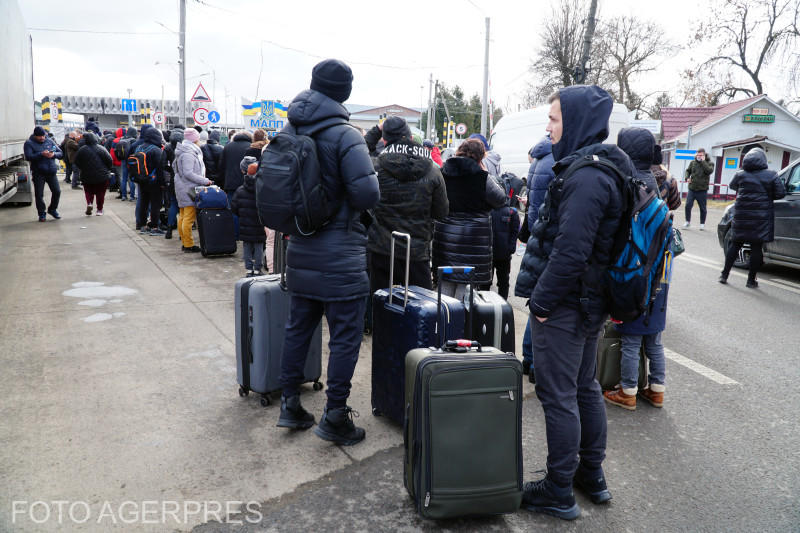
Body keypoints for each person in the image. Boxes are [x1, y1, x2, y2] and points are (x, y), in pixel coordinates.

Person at [515, 86, 635, 520]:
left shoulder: (586, 176)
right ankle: (591, 476)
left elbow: (571, 251)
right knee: (584, 388)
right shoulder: (601, 169)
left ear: (578, 123)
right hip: (586, 303)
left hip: (566, 305)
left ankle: (559, 488)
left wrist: (541, 303)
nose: (548, 127)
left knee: (559, 394)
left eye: (555, 119)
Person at [276, 59, 379, 446]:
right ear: (345, 93)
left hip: (301, 247)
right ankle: (335, 415)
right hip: (341, 256)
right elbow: (368, 194)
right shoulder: (345, 134)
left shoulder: (290, 128)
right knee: (345, 338)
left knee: (297, 329)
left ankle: (290, 405)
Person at [603, 127, 670, 411]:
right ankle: (656, 390)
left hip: (633, 270)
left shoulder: (626, 183)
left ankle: (628, 390)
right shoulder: (662, 181)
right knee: (654, 338)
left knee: (630, 339)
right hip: (661, 270)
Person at [367, 116, 449, 294]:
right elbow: (441, 212)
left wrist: (377, 130)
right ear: (411, 138)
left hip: (382, 249)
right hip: (417, 251)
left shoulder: (376, 166)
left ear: (385, 140)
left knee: (380, 308)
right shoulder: (433, 169)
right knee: (420, 311)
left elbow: (360, 151)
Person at [432, 137, 505, 298]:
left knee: (444, 284)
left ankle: (444, 321)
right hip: (473, 241)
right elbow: (500, 199)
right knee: (466, 289)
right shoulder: (482, 177)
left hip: (445, 238)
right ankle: (462, 322)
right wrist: (486, 172)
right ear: (480, 157)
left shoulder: (443, 173)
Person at [719, 147, 786, 288]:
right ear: (763, 159)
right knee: (756, 248)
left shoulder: (740, 174)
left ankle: (724, 275)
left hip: (741, 216)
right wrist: (767, 196)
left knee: (735, 244)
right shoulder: (771, 175)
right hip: (760, 218)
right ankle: (751, 281)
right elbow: (780, 194)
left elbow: (732, 186)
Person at [519, 136, 556, 381]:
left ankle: (528, 359)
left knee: (536, 301)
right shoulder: (556, 161)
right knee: (547, 305)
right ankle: (537, 366)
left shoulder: (538, 162)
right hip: (550, 240)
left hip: (537, 237)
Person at [483, 172, 523, 299]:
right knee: (485, 283)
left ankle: (503, 304)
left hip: (504, 256)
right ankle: (484, 306)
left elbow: (514, 232)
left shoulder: (511, 212)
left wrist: (511, 248)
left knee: (503, 282)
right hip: (487, 254)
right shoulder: (485, 210)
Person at [174, 127, 212, 253]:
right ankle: (188, 245)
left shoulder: (182, 151)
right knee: (188, 218)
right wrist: (205, 181)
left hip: (182, 186)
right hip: (188, 188)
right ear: (194, 140)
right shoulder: (188, 154)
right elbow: (189, 173)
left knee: (183, 216)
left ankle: (185, 242)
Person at [230, 158, 266, 276]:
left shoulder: (240, 190)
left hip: (245, 223)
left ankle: (249, 269)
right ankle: (257, 268)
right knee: (259, 246)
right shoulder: (262, 189)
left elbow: (234, 207)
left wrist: (242, 215)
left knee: (247, 245)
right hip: (259, 223)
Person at [24, 126, 63, 222]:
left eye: (43, 136)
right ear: (35, 136)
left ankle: (52, 209)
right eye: (40, 136)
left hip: (51, 172)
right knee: (39, 195)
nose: (42, 138)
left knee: (57, 191)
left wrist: (53, 155)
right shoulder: (29, 143)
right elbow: (28, 156)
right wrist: (41, 154)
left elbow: (60, 153)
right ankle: (41, 213)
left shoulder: (49, 141)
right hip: (39, 173)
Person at [132, 127, 166, 235]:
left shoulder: (138, 148)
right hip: (154, 181)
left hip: (141, 180)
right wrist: (163, 183)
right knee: (156, 204)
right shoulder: (156, 150)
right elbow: (160, 169)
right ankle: (155, 227)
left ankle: (143, 226)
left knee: (143, 203)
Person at [219, 130, 253, 239]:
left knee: (233, 210)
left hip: (231, 184)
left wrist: (223, 183)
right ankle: (245, 235)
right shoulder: (250, 146)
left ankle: (234, 234)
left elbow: (221, 166)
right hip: (247, 183)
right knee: (247, 210)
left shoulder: (228, 147)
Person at [74, 132, 113, 216]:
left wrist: (83, 168)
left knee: (88, 191)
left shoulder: (82, 149)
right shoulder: (101, 148)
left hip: (86, 175)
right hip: (102, 175)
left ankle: (89, 203)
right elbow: (109, 160)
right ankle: (99, 210)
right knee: (100, 193)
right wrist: (107, 169)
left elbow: (76, 161)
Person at [684, 148, 714, 229]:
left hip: (702, 190)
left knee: (703, 208)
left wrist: (703, 162)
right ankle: (687, 222)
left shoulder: (709, 163)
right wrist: (687, 178)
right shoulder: (693, 163)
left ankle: (702, 224)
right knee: (688, 205)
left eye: (701, 155)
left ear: (704, 155)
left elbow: (709, 171)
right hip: (692, 188)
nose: (699, 156)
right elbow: (688, 171)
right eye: (698, 155)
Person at [163, 127, 185, 240]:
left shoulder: (167, 148)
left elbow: (163, 165)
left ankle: (169, 229)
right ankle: (183, 233)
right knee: (184, 207)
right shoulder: (184, 149)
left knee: (173, 205)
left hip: (172, 180)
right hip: (184, 181)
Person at [119, 127, 138, 201]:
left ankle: (124, 196)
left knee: (124, 178)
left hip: (123, 160)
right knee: (131, 178)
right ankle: (132, 196)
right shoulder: (133, 140)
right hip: (131, 161)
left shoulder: (122, 139)